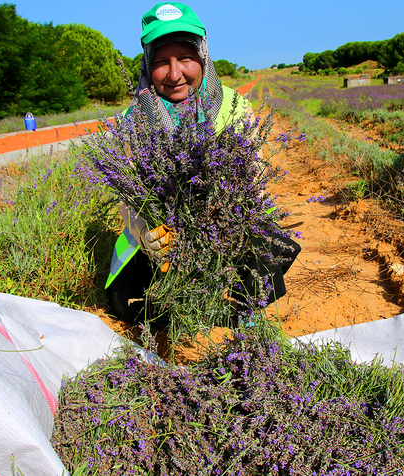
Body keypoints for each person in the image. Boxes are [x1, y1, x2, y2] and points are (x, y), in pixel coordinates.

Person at [104, 2, 300, 324]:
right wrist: (143, 233)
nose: (175, 73)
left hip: (226, 229)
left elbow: (257, 183)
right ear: (146, 64)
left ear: (203, 56)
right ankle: (183, 311)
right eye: (161, 61)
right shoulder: (134, 121)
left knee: (261, 255)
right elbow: (128, 198)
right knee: (126, 305)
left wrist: (226, 226)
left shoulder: (234, 108)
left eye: (185, 58)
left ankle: (242, 315)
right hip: (163, 239)